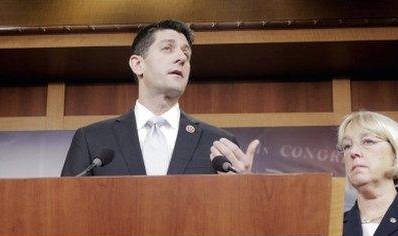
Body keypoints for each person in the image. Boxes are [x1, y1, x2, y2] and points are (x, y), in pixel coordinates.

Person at [60, 19, 259, 176]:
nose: (181, 58)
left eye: (186, 54)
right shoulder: (92, 140)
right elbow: (66, 211)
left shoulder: (218, 144)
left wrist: (244, 187)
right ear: (138, 64)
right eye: (168, 48)